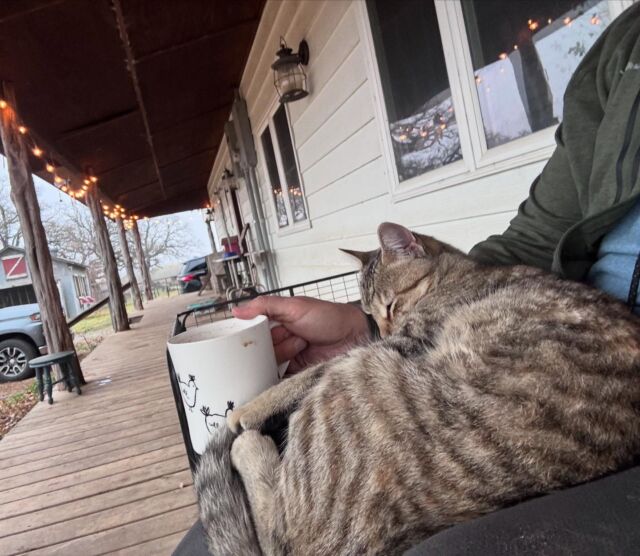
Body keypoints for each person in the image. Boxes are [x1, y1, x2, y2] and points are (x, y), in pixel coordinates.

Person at [174, 4, 640, 554]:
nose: (389, 322)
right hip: (556, 380)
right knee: (203, 542)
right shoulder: (624, 45)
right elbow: (534, 238)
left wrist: (252, 415)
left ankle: (281, 531)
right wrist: (360, 327)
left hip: (581, 387)